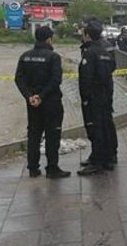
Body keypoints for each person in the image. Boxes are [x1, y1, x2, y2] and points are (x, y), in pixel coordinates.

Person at [14, 26, 71, 179]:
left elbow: (19, 79)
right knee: (52, 134)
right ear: (49, 39)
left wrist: (30, 96)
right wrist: (41, 96)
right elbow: (56, 80)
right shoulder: (53, 57)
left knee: (34, 134)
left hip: (32, 103)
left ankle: (33, 168)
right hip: (51, 102)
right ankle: (52, 168)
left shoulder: (25, 56)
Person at [77, 19, 117, 175]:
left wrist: (85, 97)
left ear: (88, 35)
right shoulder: (105, 51)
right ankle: (107, 158)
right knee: (106, 125)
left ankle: (97, 161)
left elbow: (86, 77)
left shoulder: (90, 52)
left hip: (94, 97)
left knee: (95, 127)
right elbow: (112, 68)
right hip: (106, 94)